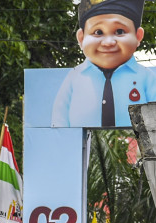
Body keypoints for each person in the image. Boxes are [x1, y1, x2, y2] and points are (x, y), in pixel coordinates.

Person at [52, 0, 156, 128]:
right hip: (81, 146)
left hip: (136, 147)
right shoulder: (74, 78)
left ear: (138, 36)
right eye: (98, 32)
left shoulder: (146, 78)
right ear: (81, 38)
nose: (108, 42)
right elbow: (59, 120)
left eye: (119, 31)